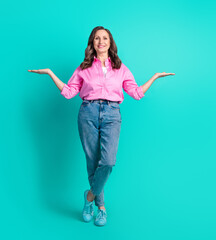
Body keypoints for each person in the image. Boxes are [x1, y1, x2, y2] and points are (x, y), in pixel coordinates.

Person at [28, 26, 175, 226]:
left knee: (107, 161)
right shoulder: (84, 67)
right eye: (97, 38)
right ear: (93, 43)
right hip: (87, 112)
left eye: (104, 38)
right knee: (92, 161)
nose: (101, 41)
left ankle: (89, 197)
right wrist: (50, 73)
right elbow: (70, 92)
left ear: (110, 42)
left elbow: (136, 93)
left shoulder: (120, 67)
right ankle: (101, 208)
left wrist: (155, 77)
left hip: (112, 114)